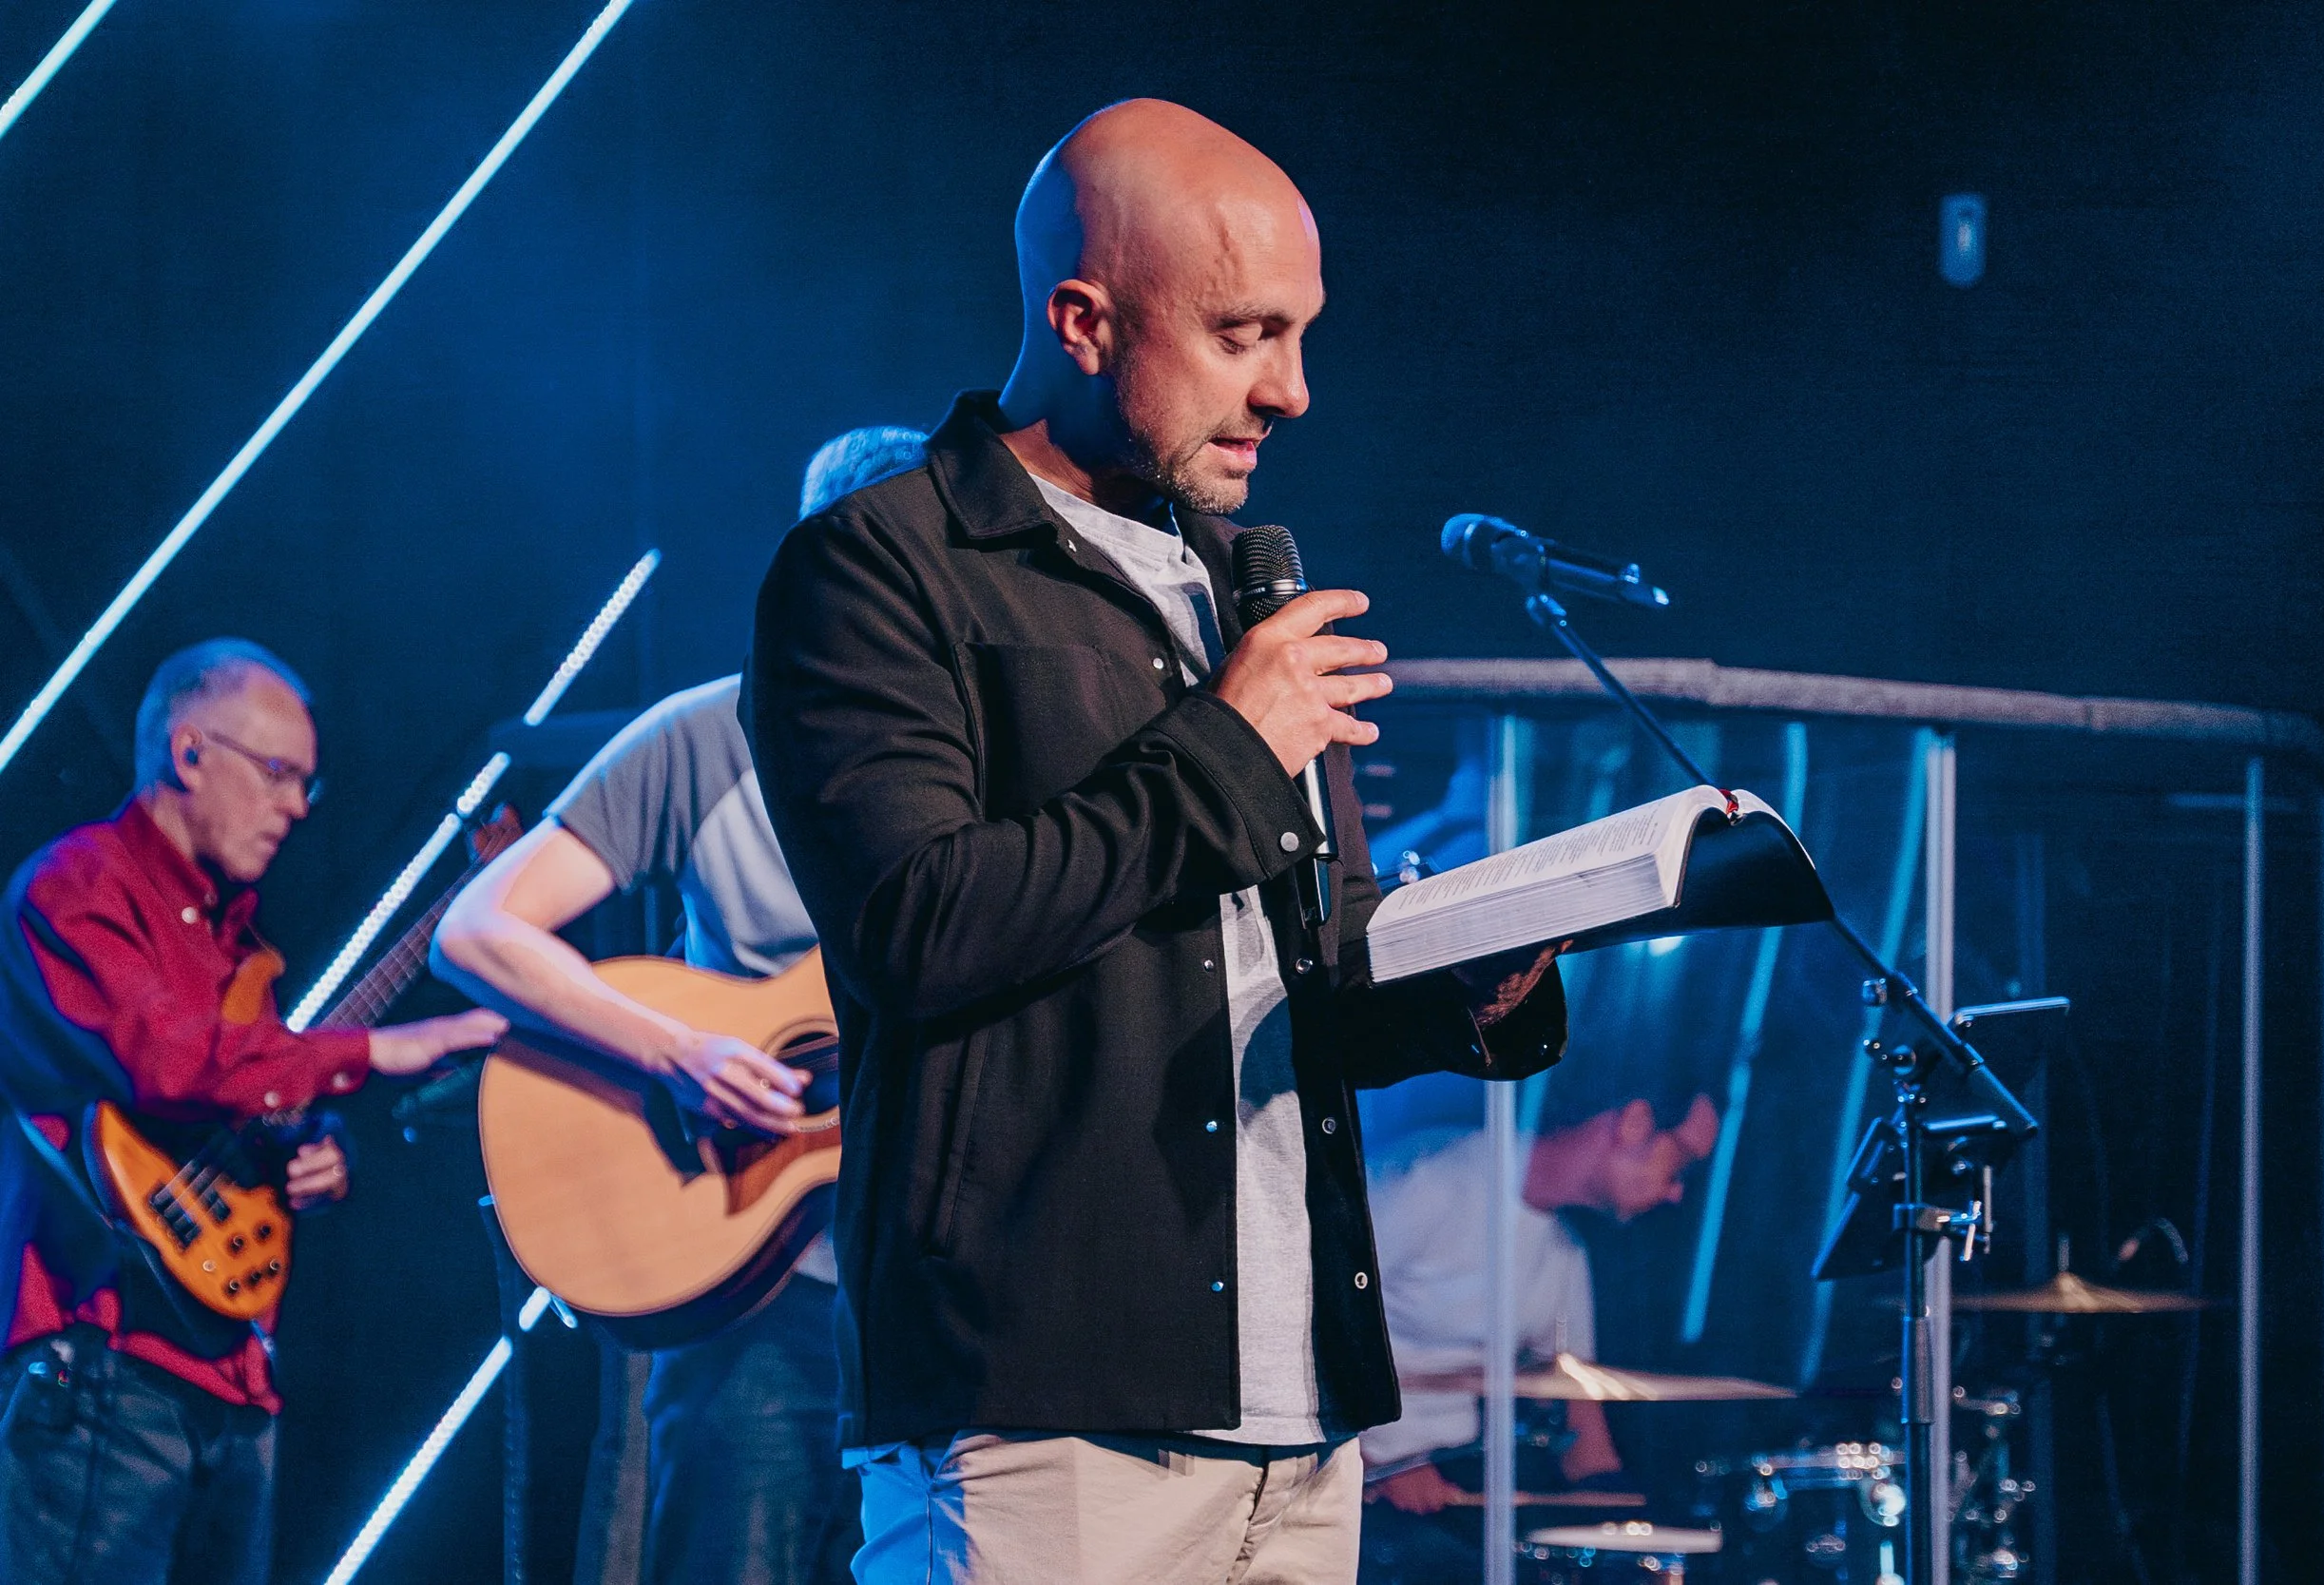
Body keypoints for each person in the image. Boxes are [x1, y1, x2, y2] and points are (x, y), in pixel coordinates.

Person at [743, 100, 1572, 1585]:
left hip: (1300, 1402)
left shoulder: (1235, 589)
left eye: (1304, 335)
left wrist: (1470, 983)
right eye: (1247, 334)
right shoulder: (875, 568)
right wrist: (1233, 747)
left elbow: (1286, 982)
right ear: (1083, 319)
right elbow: (915, 929)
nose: (1296, 390)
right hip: (1043, 1409)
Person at [432, 425, 929, 1585]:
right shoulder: (705, 738)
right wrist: (681, 1051)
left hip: (948, 1291)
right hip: (757, 1291)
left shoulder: (1003, 760)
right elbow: (477, 927)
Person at [0, 640, 506, 1585]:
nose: (297, 808)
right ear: (189, 754)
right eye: (278, 775)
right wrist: (374, 1049)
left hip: (234, 1372)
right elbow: (167, 1060)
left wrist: (318, 1143)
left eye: (307, 785)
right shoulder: (77, 889)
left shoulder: (242, 950)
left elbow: (243, 1091)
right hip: (105, 1354)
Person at [1355, 1093, 1720, 1583]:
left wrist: (1633, 1523)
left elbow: (1580, 1422)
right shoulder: (1434, 1179)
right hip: (1350, 1482)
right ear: (1634, 1122)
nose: (1678, 1191)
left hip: (1454, 1481)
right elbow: (1299, 1314)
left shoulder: (1564, 1253)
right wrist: (1370, 1461)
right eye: (1683, 1162)